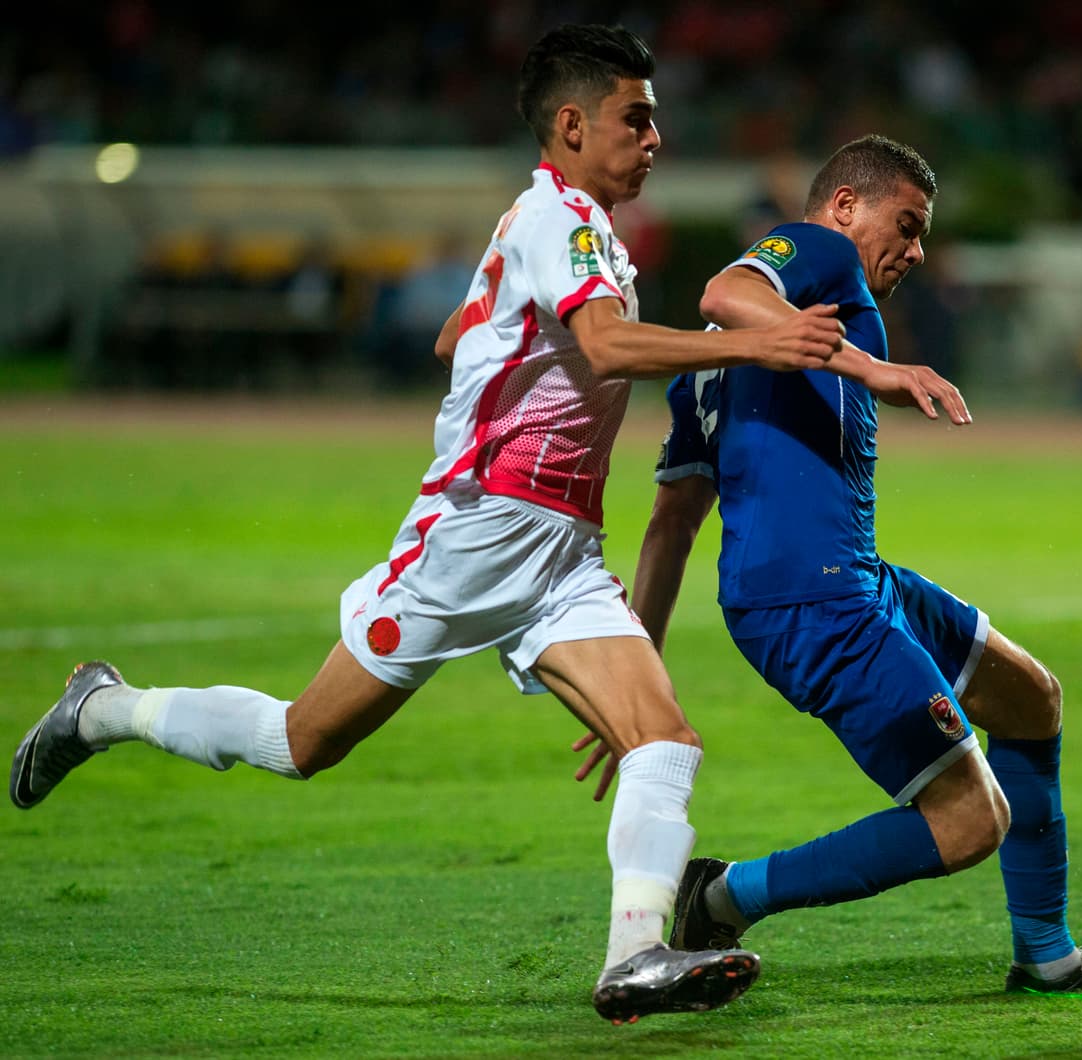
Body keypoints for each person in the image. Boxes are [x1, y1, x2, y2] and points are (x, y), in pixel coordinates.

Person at [8, 24, 852, 1025]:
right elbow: (605, 345)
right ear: (573, 125)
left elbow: (479, 326)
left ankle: (635, 956)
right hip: (474, 537)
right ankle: (105, 709)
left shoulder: (564, 223)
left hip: (559, 553)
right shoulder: (561, 220)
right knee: (300, 740)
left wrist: (479, 334)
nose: (654, 136)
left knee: (660, 738)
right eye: (637, 116)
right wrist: (756, 347)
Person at [574, 134, 1082, 996]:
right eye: (905, 226)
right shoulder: (821, 253)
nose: (914, 251)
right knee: (970, 820)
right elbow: (729, 287)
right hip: (812, 604)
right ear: (842, 207)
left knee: (1029, 697)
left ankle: (1045, 954)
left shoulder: (704, 371)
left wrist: (628, 672)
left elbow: (672, 523)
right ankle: (718, 896)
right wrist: (881, 369)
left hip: (850, 580)